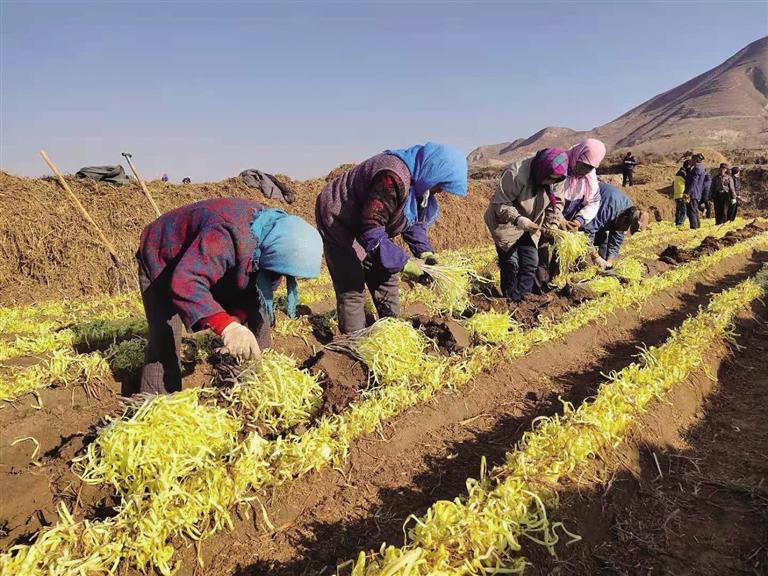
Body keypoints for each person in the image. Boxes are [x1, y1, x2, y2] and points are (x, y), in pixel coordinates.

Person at [136, 199, 322, 394]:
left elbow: (257, 294)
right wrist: (228, 327)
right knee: (165, 339)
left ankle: (255, 384)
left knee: (258, 314)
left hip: (207, 260)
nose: (280, 277)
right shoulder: (225, 233)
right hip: (163, 258)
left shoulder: (269, 242)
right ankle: (158, 404)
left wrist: (236, 317)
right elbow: (187, 281)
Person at [315, 142, 468, 334]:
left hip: (371, 222)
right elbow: (371, 230)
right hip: (340, 219)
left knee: (386, 278)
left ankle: (392, 334)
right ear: (434, 171)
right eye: (441, 185)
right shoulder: (391, 177)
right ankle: (354, 344)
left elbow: (412, 222)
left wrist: (425, 252)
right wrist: (405, 264)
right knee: (352, 287)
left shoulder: (421, 183)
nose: (440, 191)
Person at [485, 148, 568, 301]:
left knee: (530, 262)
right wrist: (519, 219)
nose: (550, 182)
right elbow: (500, 204)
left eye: (554, 180)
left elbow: (556, 204)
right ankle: (510, 299)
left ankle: (524, 299)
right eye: (548, 178)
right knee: (511, 264)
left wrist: (553, 223)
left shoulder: (558, 179)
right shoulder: (517, 174)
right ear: (541, 169)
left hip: (532, 224)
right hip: (506, 222)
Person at [583, 182, 650, 269]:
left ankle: (601, 268)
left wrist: (609, 261)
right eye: (626, 228)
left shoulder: (628, 213)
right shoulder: (609, 208)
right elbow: (587, 231)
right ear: (625, 219)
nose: (623, 230)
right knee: (584, 244)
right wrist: (595, 256)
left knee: (603, 244)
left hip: (598, 219)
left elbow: (617, 239)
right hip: (582, 207)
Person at [562, 138, 608, 230]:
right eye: (584, 165)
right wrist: (557, 217)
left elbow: (594, 202)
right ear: (577, 156)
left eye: (590, 167)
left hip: (566, 225)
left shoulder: (590, 177)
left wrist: (578, 221)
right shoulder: (560, 163)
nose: (586, 170)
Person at [683, 153, 706, 229]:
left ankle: (694, 227)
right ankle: (697, 226)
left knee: (691, 211)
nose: (691, 161)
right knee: (694, 210)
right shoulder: (701, 168)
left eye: (692, 159)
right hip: (697, 192)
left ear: (695, 160)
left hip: (693, 193)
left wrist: (687, 193)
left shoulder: (696, 169)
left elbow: (693, 182)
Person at [673, 159, 691, 225]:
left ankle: (677, 222)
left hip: (677, 194)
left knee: (678, 210)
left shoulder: (678, 172)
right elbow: (688, 183)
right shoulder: (684, 173)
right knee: (683, 211)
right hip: (682, 195)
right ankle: (680, 223)